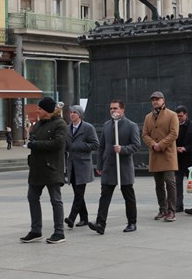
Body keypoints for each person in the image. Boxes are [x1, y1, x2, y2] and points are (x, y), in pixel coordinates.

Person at [88, 99, 141, 235]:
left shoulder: (131, 126)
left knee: (128, 195)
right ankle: (100, 223)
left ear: (122, 110)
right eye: (111, 108)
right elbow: (102, 147)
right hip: (108, 166)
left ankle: (132, 222)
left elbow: (136, 145)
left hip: (123, 167)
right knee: (104, 195)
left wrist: (122, 149)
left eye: (116, 108)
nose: (113, 111)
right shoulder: (106, 125)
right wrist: (99, 164)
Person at [19, 97, 67, 244]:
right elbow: (33, 139)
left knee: (55, 200)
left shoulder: (60, 124)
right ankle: (35, 230)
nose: (37, 111)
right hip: (36, 168)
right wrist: (30, 141)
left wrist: (35, 144)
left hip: (51, 168)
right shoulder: (38, 124)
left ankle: (59, 232)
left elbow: (58, 143)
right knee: (32, 198)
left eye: (40, 109)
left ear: (47, 110)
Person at [143, 91, 179, 222]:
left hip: (167, 154)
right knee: (158, 184)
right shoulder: (148, 117)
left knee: (170, 182)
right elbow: (145, 134)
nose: (155, 101)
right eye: (153, 99)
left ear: (163, 100)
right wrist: (153, 145)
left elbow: (174, 133)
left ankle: (172, 210)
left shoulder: (172, 115)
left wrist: (161, 144)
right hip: (155, 154)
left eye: (157, 99)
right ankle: (162, 209)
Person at [64, 105, 99, 229]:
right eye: (71, 112)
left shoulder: (88, 128)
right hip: (72, 166)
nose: (72, 114)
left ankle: (71, 218)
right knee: (78, 193)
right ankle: (84, 218)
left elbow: (95, 144)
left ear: (80, 114)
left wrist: (79, 146)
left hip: (83, 165)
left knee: (79, 193)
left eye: (75, 112)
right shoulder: (67, 128)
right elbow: (66, 146)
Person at [174, 105, 192, 212]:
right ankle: (178, 204)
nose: (179, 118)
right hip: (177, 159)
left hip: (189, 158)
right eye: (177, 116)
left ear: (186, 115)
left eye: (181, 116)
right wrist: (175, 148)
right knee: (177, 182)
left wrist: (186, 148)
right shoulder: (174, 125)